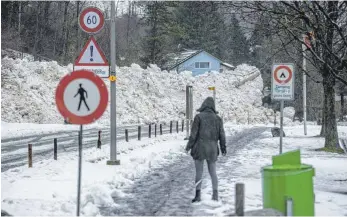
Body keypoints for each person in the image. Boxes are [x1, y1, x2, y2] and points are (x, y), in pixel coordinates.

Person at [185, 97, 226, 202]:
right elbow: (222, 135)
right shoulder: (218, 119)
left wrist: (188, 147)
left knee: (199, 172)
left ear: (203, 105)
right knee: (213, 172)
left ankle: (198, 196)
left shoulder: (198, 117)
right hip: (212, 149)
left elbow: (193, 135)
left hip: (199, 148)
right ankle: (215, 195)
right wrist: (223, 148)